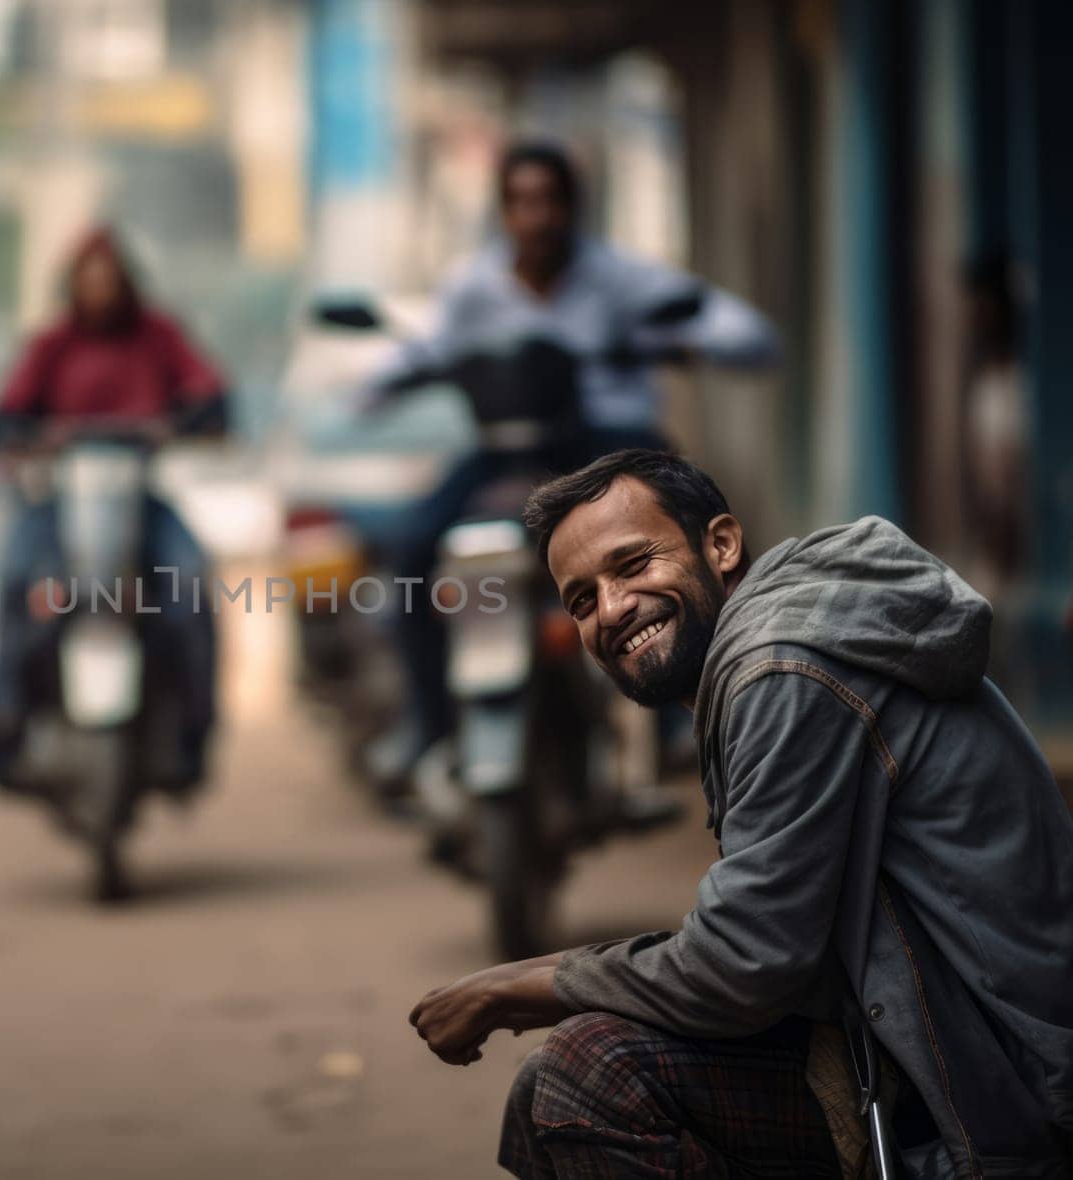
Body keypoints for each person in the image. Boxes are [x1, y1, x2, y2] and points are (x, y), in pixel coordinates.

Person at [408, 449, 1073, 1177]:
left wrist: (516, 988)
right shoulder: (775, 649)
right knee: (560, 1081)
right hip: (902, 1046)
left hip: (996, 1092)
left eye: (633, 566)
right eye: (581, 599)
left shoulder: (781, 668)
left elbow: (743, 965)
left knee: (588, 1076)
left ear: (721, 545)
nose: (611, 609)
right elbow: (773, 949)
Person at [361, 142, 778, 781]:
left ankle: (681, 718)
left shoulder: (621, 278)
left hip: (603, 444)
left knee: (672, 547)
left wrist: (676, 341)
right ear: (503, 212)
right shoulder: (472, 287)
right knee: (414, 550)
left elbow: (749, 339)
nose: (538, 217)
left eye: (550, 201)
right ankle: (430, 724)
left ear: (573, 208)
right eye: (523, 203)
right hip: (503, 450)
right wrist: (375, 384)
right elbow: (421, 354)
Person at [0, 227, 228, 785]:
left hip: (137, 503)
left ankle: (195, 727)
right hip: (62, 503)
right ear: (73, 286)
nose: (99, 290)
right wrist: (27, 435)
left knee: (190, 584)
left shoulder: (159, 337)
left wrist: (187, 420)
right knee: (16, 581)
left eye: (109, 278)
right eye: (88, 280)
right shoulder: (52, 345)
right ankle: (7, 726)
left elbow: (209, 392)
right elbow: (6, 411)